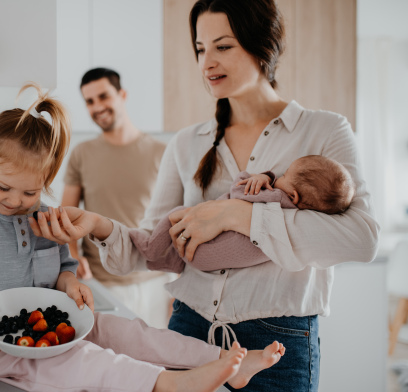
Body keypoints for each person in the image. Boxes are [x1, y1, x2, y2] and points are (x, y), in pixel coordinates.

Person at [28, 1, 379, 391]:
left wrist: (235, 215)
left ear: (262, 45)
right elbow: (153, 250)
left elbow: (362, 239)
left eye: (223, 46)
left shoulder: (323, 131)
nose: (207, 62)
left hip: (278, 346)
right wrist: (100, 226)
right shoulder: (185, 143)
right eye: (200, 49)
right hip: (187, 333)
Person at [0, 82, 285, 392]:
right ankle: (167, 383)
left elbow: (63, 267)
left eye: (31, 192)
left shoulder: (43, 217)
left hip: (50, 324)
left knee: (131, 333)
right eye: (5, 187)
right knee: (85, 359)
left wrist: (69, 283)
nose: (18, 202)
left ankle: (223, 359)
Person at [62, 67, 172, 328]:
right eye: (89, 101)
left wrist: (177, 286)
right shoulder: (81, 154)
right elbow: (67, 215)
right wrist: (73, 261)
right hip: (102, 283)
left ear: (122, 94)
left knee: (155, 363)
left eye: (103, 96)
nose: (97, 106)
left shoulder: (162, 152)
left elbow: (175, 220)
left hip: (155, 283)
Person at [130, 155, 356, 274]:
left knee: (177, 214)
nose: (279, 176)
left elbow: (237, 191)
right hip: (210, 259)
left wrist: (261, 177)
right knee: (184, 244)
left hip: (204, 251)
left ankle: (151, 248)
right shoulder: (296, 220)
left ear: (294, 196)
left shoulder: (275, 197)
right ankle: (173, 262)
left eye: (285, 174)